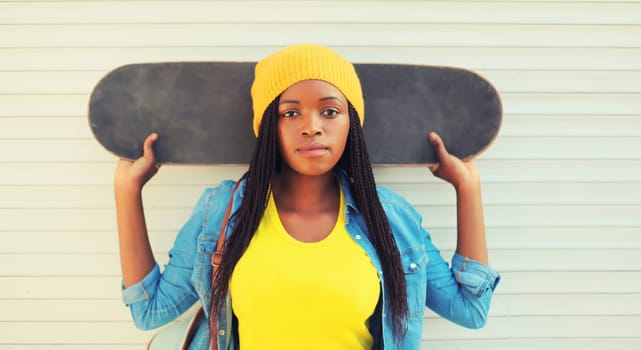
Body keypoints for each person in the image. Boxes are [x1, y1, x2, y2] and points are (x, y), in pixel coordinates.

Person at [115, 44, 500, 349]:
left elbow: (471, 310)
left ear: (351, 123)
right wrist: (127, 191)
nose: (312, 128)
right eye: (290, 113)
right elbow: (150, 311)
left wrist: (467, 188)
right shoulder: (221, 213)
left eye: (330, 111)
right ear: (267, 126)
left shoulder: (390, 219)